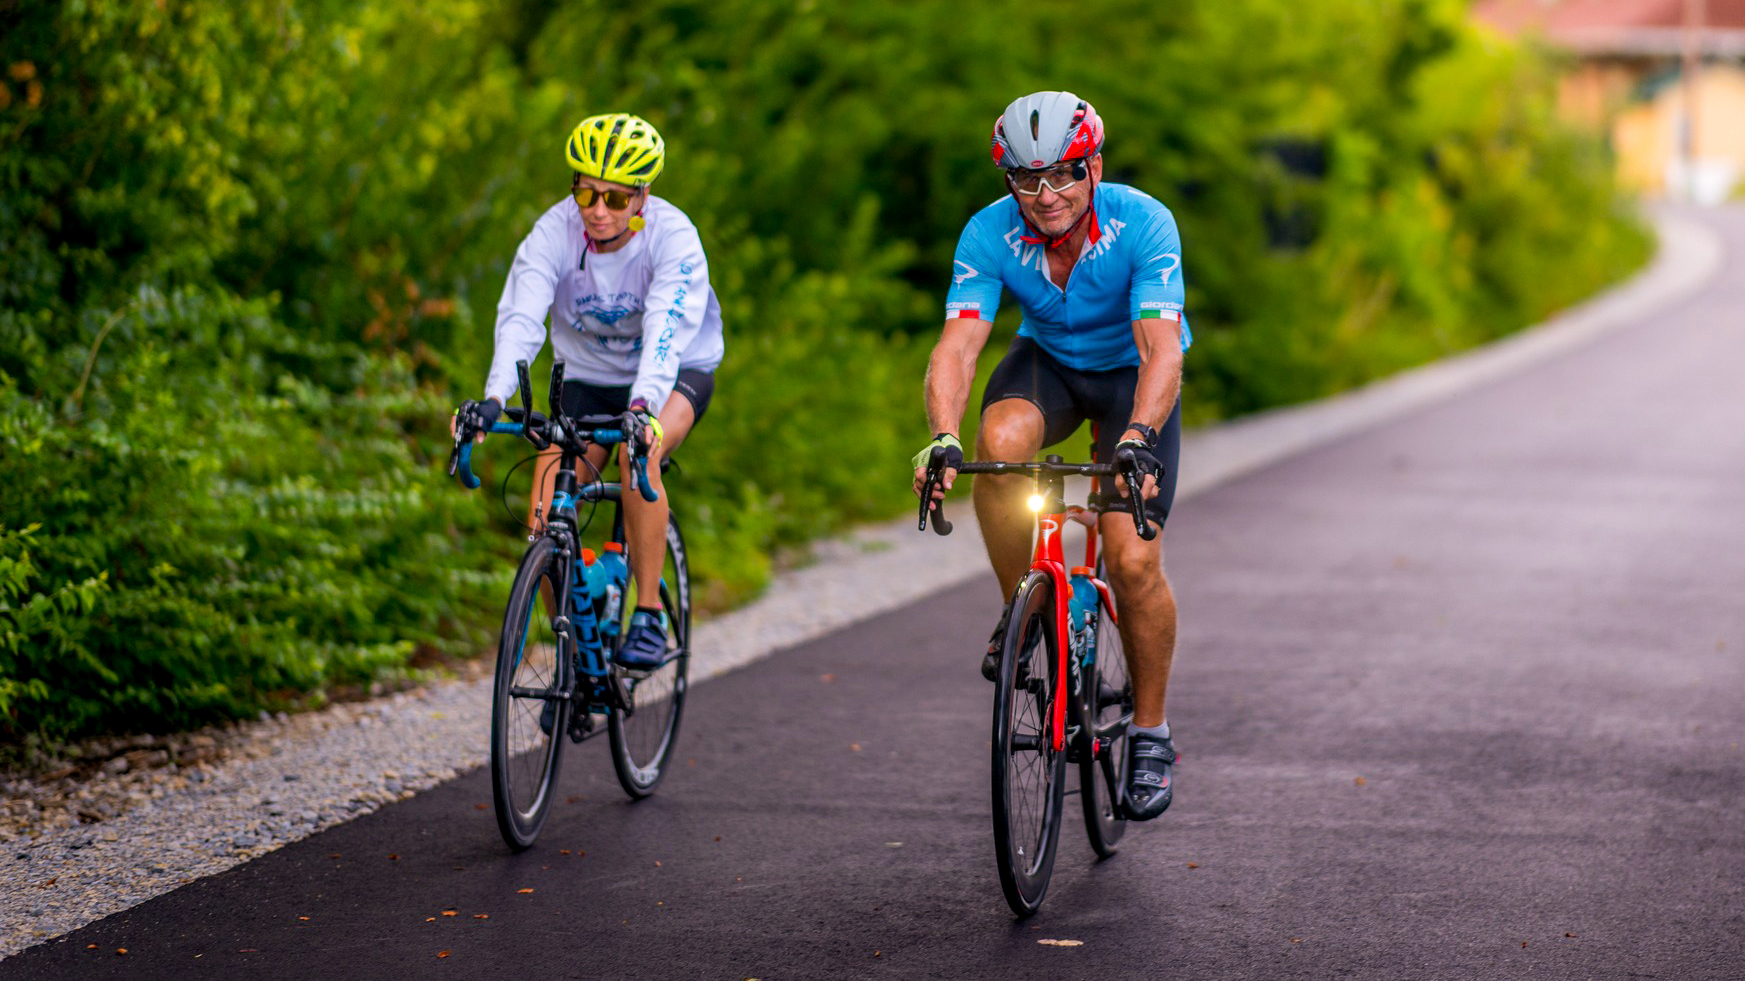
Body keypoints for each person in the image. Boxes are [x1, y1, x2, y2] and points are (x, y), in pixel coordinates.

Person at [911, 91, 1190, 821]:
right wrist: (940, 434)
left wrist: (1137, 436)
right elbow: (959, 345)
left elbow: (1160, 345)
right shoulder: (987, 233)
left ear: (1093, 163)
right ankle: (1024, 608)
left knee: (1131, 561)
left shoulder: (1143, 222)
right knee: (995, 449)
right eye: (1027, 179)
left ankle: (1152, 731)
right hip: (1050, 363)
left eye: (1064, 173)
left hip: (1132, 377)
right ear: (1008, 180)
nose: (1046, 195)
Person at [453, 112, 723, 668]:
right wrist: (494, 398)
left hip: (673, 372)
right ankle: (575, 658)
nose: (599, 211)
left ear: (643, 196)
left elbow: (665, 334)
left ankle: (646, 616)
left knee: (636, 456)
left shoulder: (674, 239)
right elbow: (522, 318)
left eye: (617, 199)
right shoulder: (554, 232)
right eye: (587, 194)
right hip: (586, 376)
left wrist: (643, 409)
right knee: (542, 517)